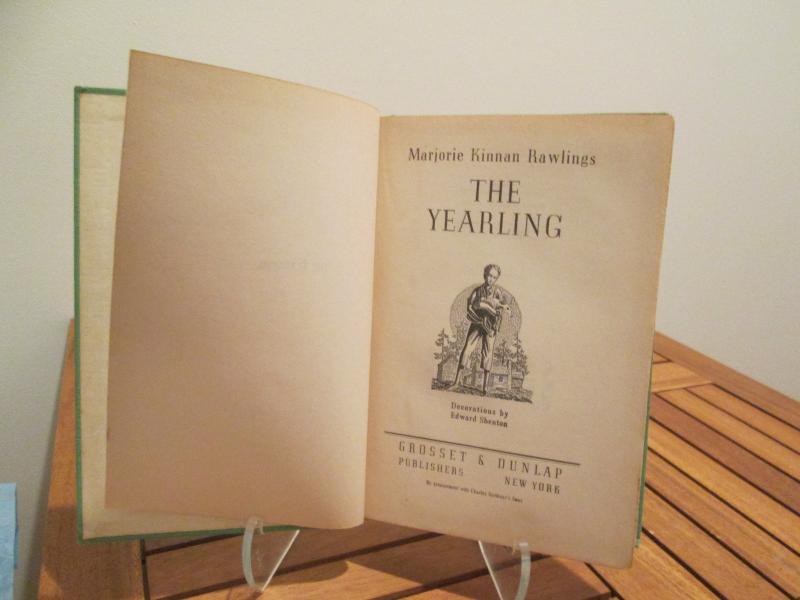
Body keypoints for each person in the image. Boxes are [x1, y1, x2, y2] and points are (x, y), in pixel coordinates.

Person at [450, 264, 510, 394]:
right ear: (485, 275)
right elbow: (470, 306)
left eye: (494, 277)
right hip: (477, 323)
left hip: (490, 326)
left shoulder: (497, 293)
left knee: (488, 353)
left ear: (496, 279)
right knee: (467, 349)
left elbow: (500, 312)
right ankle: (456, 382)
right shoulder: (477, 291)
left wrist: (495, 326)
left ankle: (485, 388)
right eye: (489, 276)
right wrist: (477, 312)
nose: (491, 279)